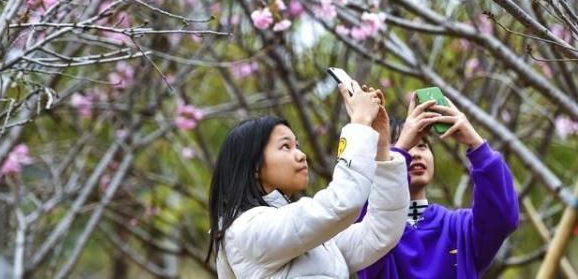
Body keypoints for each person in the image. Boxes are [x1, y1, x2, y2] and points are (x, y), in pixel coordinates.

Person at [206, 82, 410, 278]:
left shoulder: (313, 241)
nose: (301, 155)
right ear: (255, 166)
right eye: (286, 146)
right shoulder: (248, 230)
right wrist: (359, 125)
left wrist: (381, 148)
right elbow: (341, 204)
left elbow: (379, 233)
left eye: (298, 145)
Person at [357, 93, 519, 279]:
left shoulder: (458, 228)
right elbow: (368, 227)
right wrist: (397, 156)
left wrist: (476, 144)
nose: (415, 153)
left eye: (423, 146)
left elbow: (503, 216)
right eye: (407, 145)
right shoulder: (372, 229)